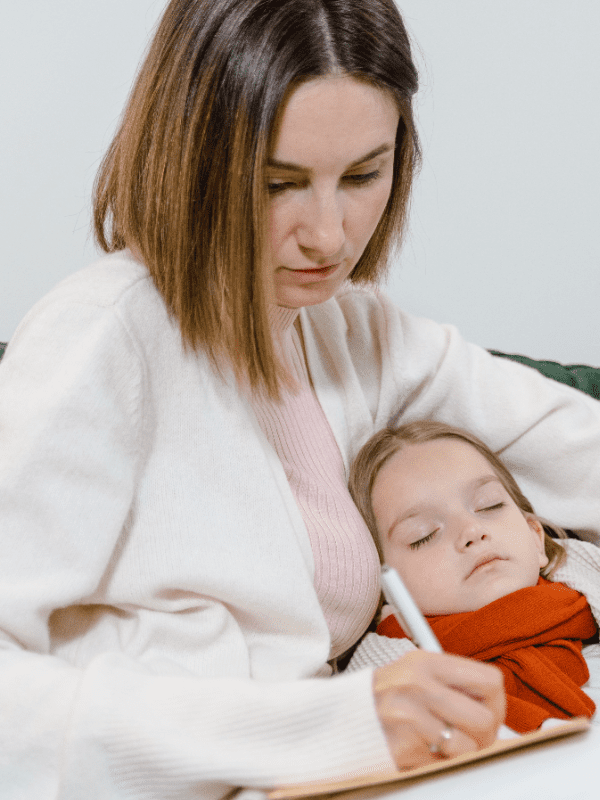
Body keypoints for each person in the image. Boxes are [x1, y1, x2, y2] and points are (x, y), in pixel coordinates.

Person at [1, 0, 600, 796]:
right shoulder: (98, 342)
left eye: (363, 175)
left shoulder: (353, 332)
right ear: (189, 160)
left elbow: (575, 447)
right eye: (278, 183)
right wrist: (331, 727)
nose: (329, 235)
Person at [348, 420, 600, 734]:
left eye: (488, 504)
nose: (471, 531)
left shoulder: (589, 599)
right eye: (423, 535)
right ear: (385, 589)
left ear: (536, 536)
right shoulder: (387, 689)